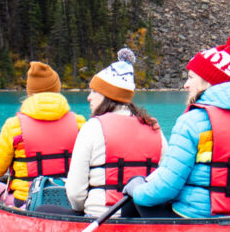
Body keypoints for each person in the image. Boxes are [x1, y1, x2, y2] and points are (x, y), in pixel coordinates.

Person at [124, 35, 230, 218]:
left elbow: (165, 188)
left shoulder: (192, 121)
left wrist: (136, 190)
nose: (186, 84)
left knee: (137, 195)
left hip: (196, 216)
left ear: (208, 81)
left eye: (191, 77)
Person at [63, 48, 168, 217]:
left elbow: (75, 195)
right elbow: (166, 180)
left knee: (41, 210)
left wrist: (80, 209)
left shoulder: (92, 128)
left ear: (107, 96)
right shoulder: (154, 128)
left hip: (100, 217)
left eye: (94, 91)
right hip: (145, 218)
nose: (89, 97)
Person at [0, 61, 86, 207]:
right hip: (70, 200)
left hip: (25, 201)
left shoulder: (14, 126)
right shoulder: (79, 123)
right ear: (57, 90)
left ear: (29, 92)